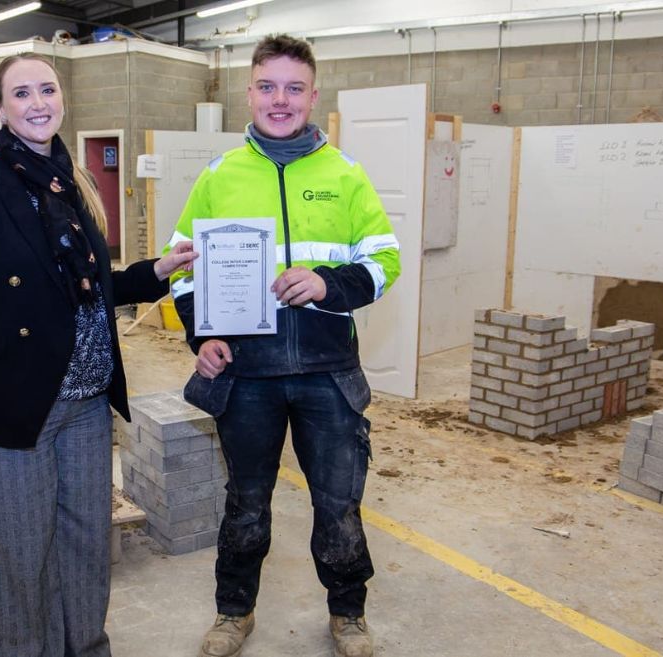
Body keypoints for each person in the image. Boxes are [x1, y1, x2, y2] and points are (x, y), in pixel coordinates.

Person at [0, 53, 196, 657]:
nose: (38, 102)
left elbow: (88, 290)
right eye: (21, 93)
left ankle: (87, 648)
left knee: (85, 547)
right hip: (13, 407)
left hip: (87, 403)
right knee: (19, 557)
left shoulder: (72, 185)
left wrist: (157, 271)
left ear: (63, 100)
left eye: (47, 89)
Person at [167, 34, 400, 657]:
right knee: (245, 502)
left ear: (313, 95)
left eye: (294, 88)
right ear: (249, 92)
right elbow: (184, 267)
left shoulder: (345, 174)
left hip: (327, 371)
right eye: (267, 86)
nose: (280, 99)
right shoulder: (220, 176)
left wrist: (329, 283)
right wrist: (204, 333)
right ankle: (233, 612)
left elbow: (385, 259)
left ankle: (349, 614)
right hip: (249, 373)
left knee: (339, 505)